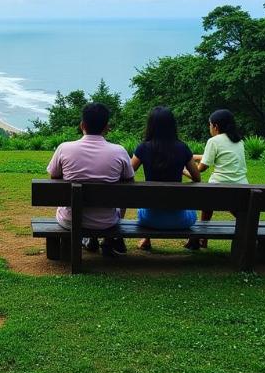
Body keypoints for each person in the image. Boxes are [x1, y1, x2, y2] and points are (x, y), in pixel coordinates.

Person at [46, 102, 133, 257]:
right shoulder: (119, 151)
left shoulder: (64, 148)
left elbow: (54, 178)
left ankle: (87, 239)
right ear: (107, 127)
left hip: (70, 221)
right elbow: (129, 184)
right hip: (107, 222)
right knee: (122, 192)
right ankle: (104, 239)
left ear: (82, 125)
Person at [131, 106, 201, 250]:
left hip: (148, 219)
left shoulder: (143, 148)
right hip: (181, 220)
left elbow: (128, 172)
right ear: (172, 125)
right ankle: (193, 240)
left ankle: (146, 239)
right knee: (191, 210)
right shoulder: (183, 148)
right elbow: (197, 177)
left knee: (144, 207)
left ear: (150, 125)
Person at [188, 108, 248, 249]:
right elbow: (216, 156)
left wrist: (183, 168)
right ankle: (202, 238)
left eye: (209, 125)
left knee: (207, 200)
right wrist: (191, 156)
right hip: (241, 187)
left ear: (215, 126)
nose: (209, 128)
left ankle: (202, 237)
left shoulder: (213, 141)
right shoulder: (239, 141)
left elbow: (201, 169)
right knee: (234, 207)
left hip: (219, 188)